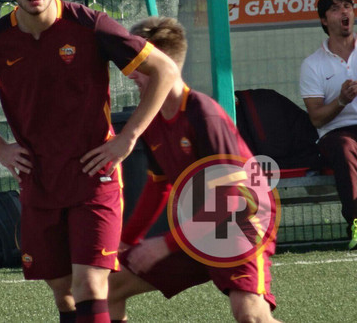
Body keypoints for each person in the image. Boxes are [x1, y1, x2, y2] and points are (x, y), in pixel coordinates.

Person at [0, 0, 178, 322]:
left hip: (94, 175)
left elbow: (165, 71)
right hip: (38, 178)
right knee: (64, 294)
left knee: (89, 286)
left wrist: (128, 137)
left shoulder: (89, 25)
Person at [107, 16, 279, 323]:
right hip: (195, 228)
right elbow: (158, 184)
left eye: (138, 61)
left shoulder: (203, 112)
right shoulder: (151, 117)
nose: (130, 71)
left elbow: (233, 197)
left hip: (241, 222)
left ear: (164, 64)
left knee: (250, 316)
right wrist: (126, 240)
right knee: (109, 289)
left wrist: (167, 243)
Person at [300, 0, 357, 249]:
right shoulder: (312, 64)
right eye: (335, 8)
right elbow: (316, 118)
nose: (344, 12)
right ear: (324, 20)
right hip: (335, 133)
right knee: (345, 148)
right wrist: (342, 101)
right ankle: (355, 221)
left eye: (347, 6)